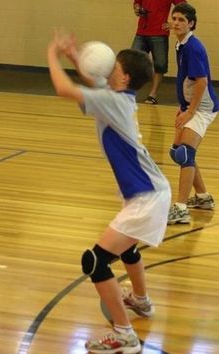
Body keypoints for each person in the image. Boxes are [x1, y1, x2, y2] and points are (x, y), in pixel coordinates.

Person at [47, 30, 171, 354]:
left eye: (114, 65)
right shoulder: (119, 96)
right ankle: (141, 301)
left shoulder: (113, 100)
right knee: (126, 250)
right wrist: (75, 57)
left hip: (147, 198)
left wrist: (51, 54)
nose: (109, 68)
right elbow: (94, 82)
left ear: (124, 76)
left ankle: (124, 334)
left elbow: (63, 88)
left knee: (94, 261)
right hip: (148, 193)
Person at [167, 3, 219, 225]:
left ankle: (180, 209)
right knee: (177, 152)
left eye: (181, 20)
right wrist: (183, 104)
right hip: (191, 105)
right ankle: (203, 198)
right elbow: (186, 81)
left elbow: (202, 81)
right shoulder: (181, 44)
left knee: (185, 154)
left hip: (203, 108)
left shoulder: (193, 47)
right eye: (174, 18)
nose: (177, 22)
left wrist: (191, 111)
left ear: (191, 24)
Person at [132, 0, 186, 104]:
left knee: (160, 64)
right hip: (142, 31)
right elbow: (137, 3)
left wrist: (173, 24)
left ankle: (152, 95)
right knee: (132, 62)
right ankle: (129, 91)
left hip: (159, 33)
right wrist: (137, 9)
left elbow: (184, 7)